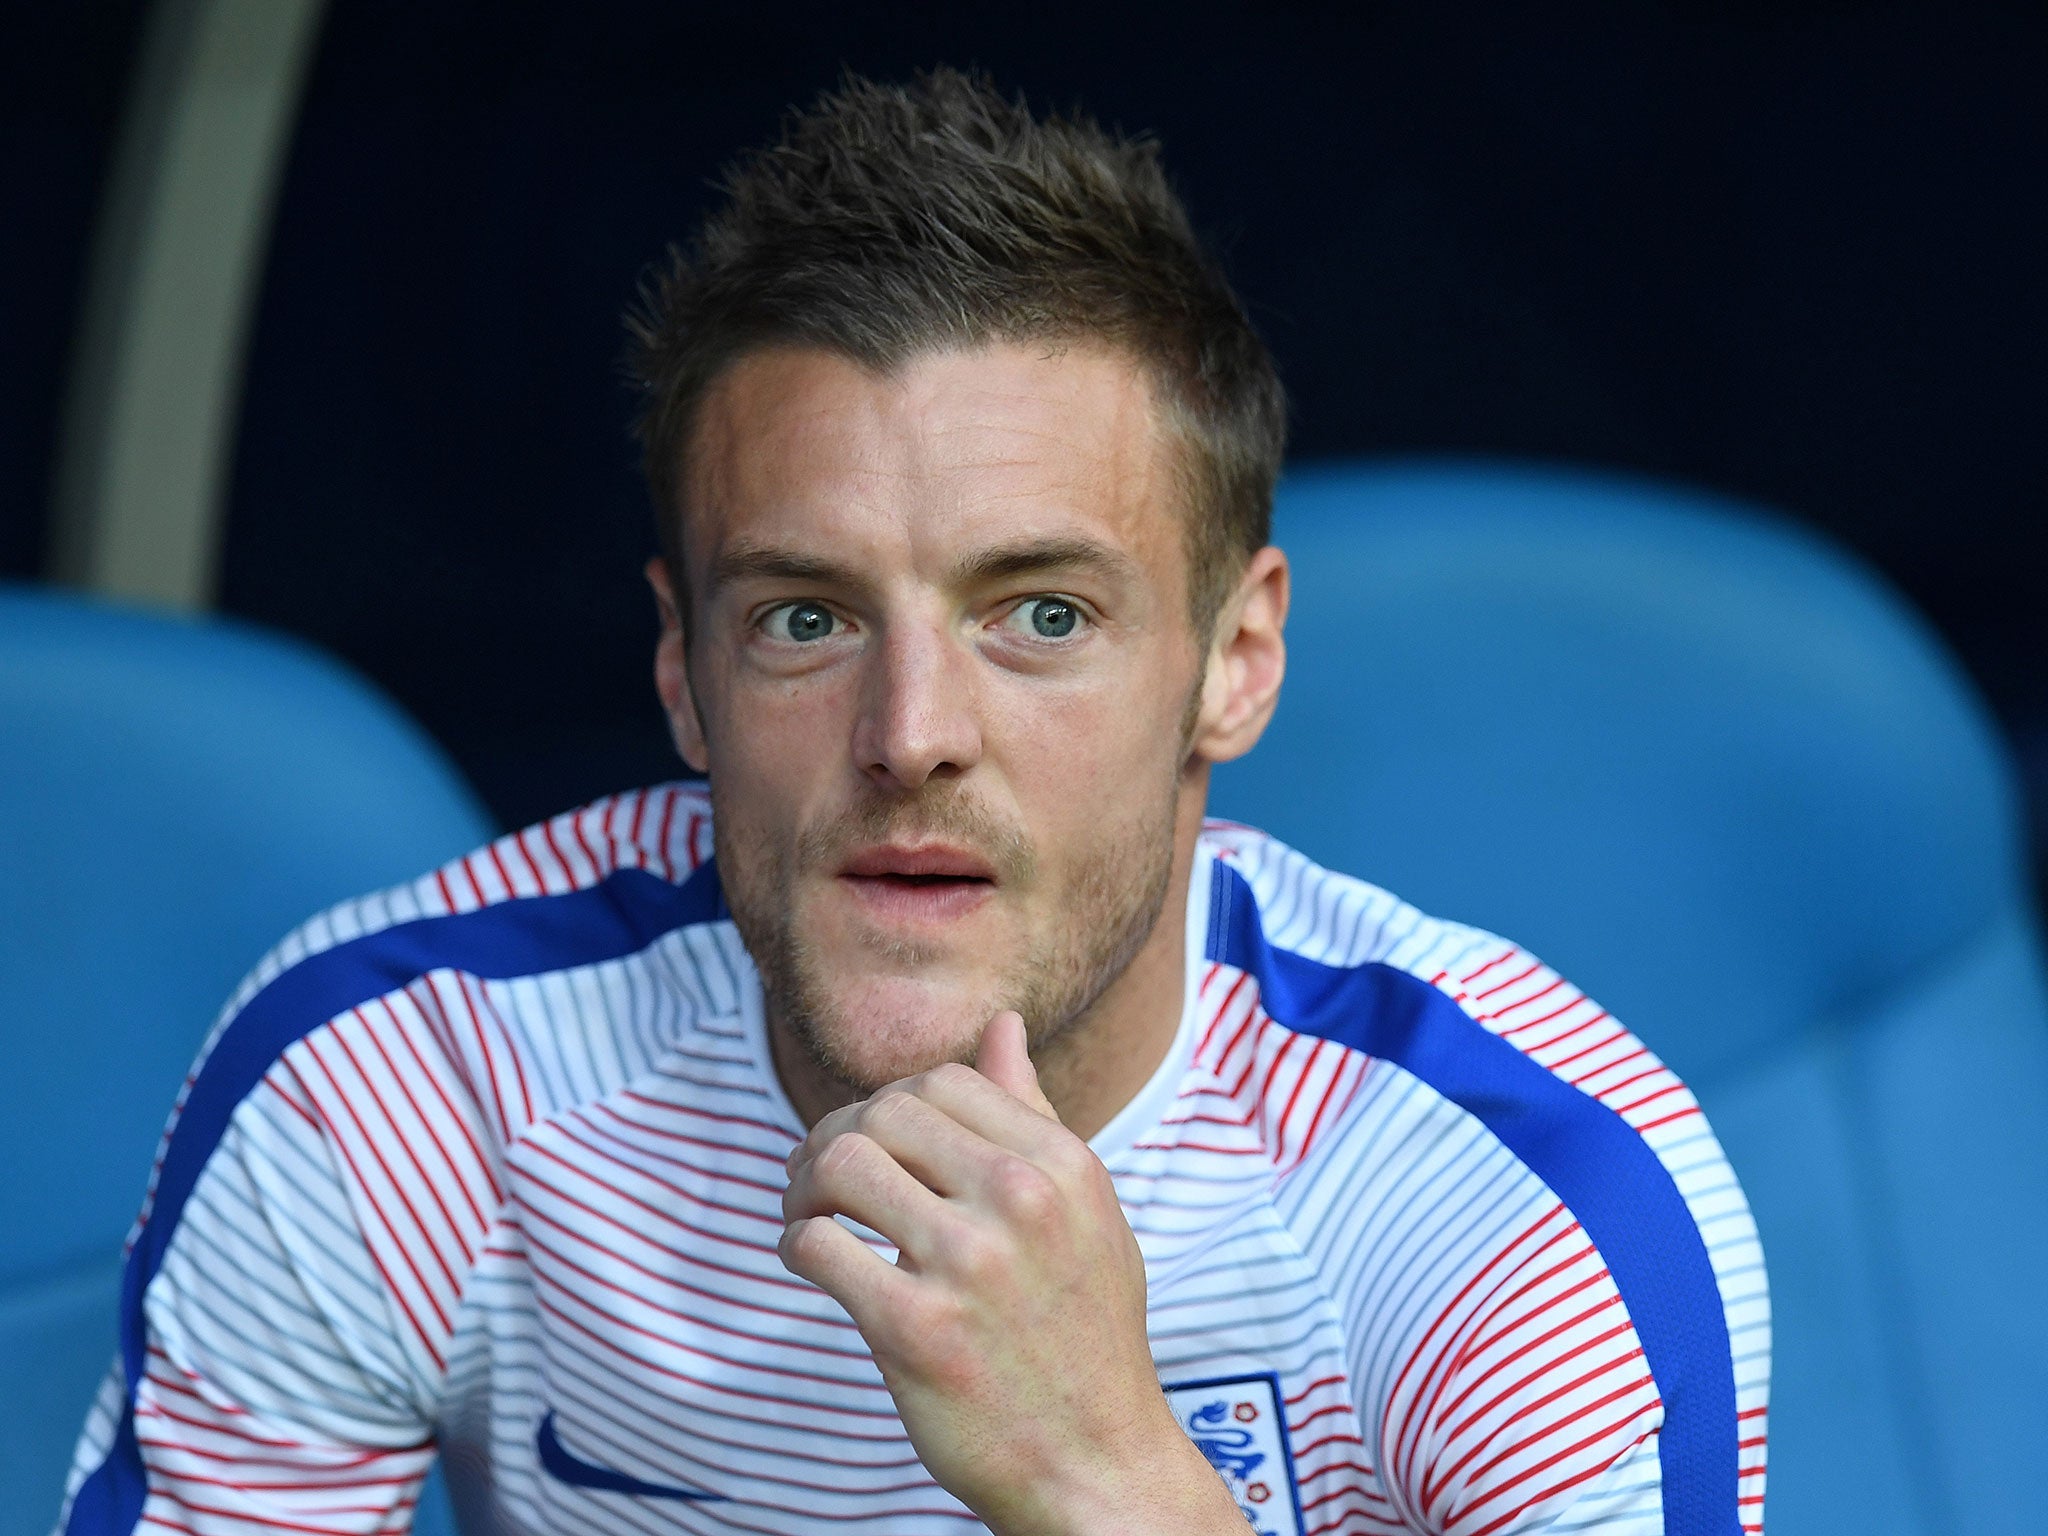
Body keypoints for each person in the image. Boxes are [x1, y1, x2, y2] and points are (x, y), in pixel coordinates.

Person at [56, 68, 1767, 1536]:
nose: (912, 734)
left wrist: (1106, 1473)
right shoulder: (402, 1086)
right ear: (682, 673)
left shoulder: (1526, 1210)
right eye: (806, 617)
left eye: (1041, 615)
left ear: (1234, 664)